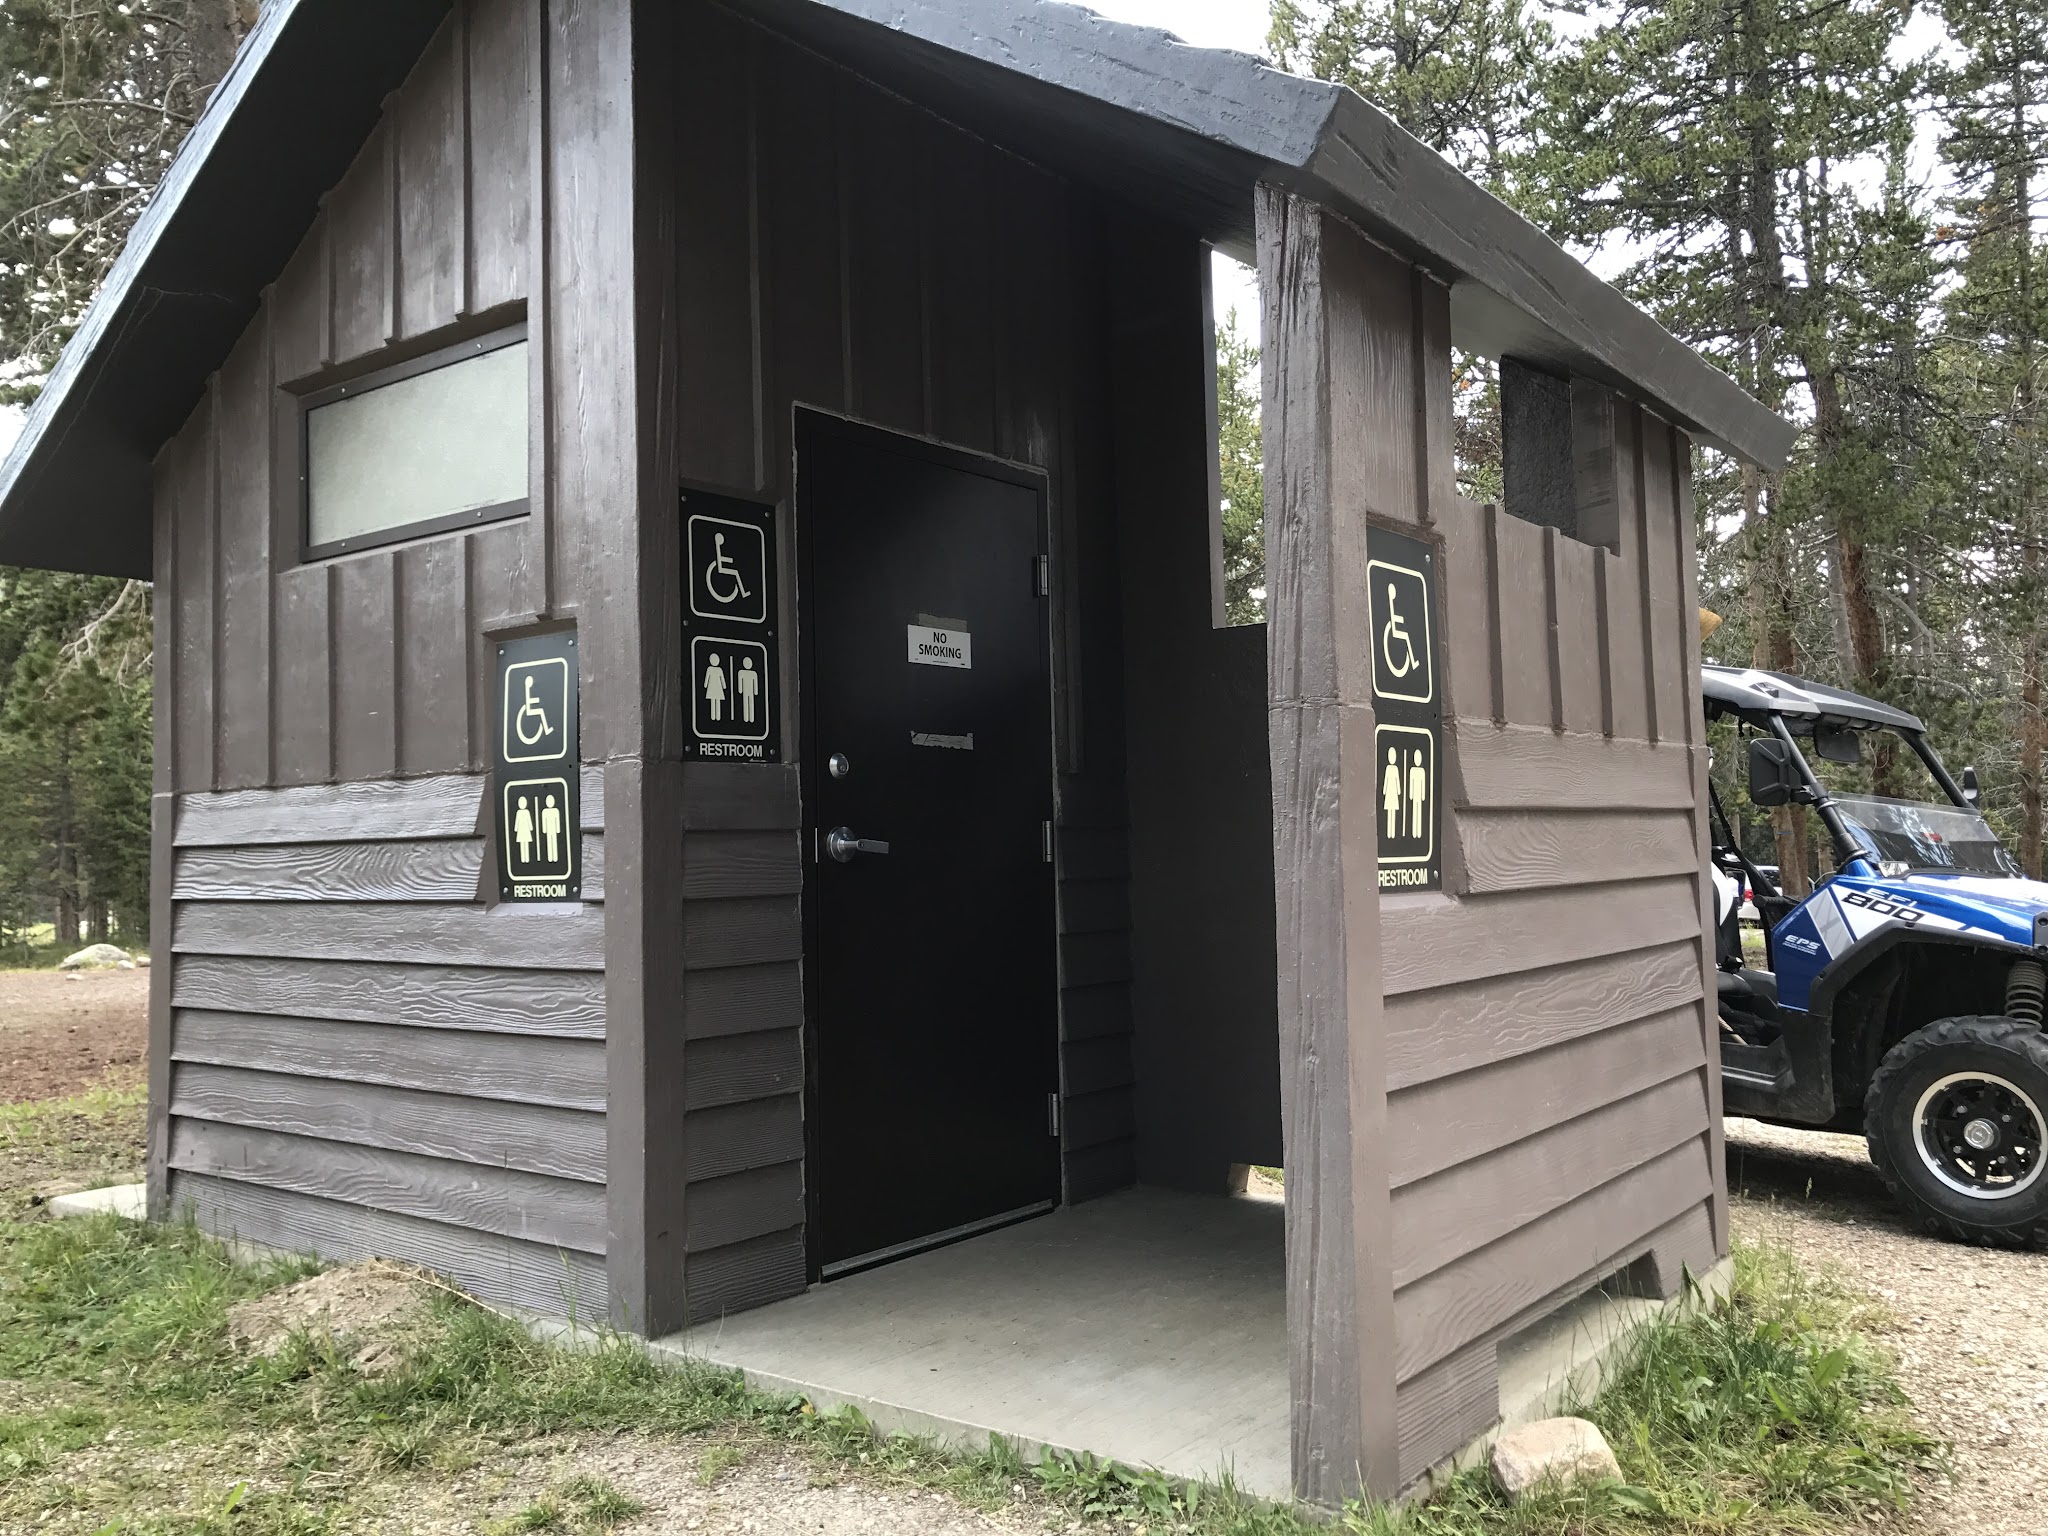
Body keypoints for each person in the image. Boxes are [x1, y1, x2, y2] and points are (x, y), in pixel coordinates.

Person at [1382, 747, 1402, 840]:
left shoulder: (1395, 769)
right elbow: (1386, 780)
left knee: (1393, 812)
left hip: (1393, 794)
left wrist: (1398, 791)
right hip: (1390, 793)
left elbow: (1397, 780)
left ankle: (1392, 833)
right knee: (1389, 812)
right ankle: (1389, 833)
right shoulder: (1388, 768)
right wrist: (1384, 791)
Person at [704, 651, 727, 723]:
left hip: (716, 687)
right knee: (714, 701)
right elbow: (707, 677)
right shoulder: (710, 669)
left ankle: (717, 716)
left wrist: (724, 686)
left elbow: (722, 678)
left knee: (716, 701)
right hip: (714, 687)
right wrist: (705, 685)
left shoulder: (718, 669)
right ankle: (714, 716)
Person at [540, 793, 562, 865]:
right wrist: (544, 830)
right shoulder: (544, 811)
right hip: (549, 830)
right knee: (549, 842)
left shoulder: (555, 811)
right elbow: (544, 821)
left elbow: (557, 821)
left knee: (554, 842)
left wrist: (558, 829)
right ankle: (550, 858)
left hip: (553, 830)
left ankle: (555, 857)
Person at [513, 794, 535, 867]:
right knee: (523, 844)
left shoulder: (526, 812)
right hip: (522, 831)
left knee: (525, 844)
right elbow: (517, 821)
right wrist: (516, 829)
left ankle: (526, 858)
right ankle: (523, 859)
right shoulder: (518, 812)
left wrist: (531, 828)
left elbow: (529, 821)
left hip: (525, 831)